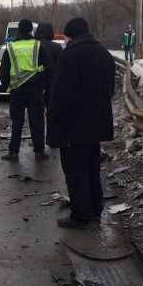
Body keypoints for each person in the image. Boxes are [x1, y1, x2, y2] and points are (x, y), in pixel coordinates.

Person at [48, 17, 115, 228]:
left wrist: (53, 116)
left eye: (66, 37)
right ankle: (95, 209)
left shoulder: (70, 56)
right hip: (97, 123)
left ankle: (80, 215)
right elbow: (110, 90)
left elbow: (60, 93)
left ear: (72, 35)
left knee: (76, 171)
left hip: (73, 124)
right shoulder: (104, 54)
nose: (65, 41)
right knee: (92, 167)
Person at [0, 19, 55, 161]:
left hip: (17, 90)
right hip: (35, 90)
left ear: (18, 30)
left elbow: (3, 71)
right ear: (31, 30)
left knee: (17, 121)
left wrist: (8, 87)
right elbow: (50, 68)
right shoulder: (38, 46)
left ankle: (13, 152)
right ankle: (39, 152)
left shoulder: (10, 47)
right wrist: (44, 86)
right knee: (37, 121)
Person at [34, 22, 62, 109]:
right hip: (52, 83)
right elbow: (59, 67)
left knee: (36, 113)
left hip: (36, 83)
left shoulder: (34, 46)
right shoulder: (57, 47)